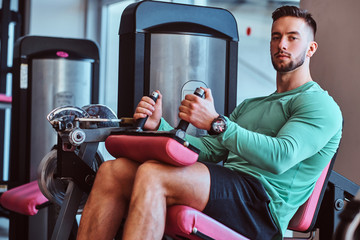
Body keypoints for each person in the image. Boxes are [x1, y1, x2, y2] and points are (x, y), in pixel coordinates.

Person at [77, 5, 342, 240]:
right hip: (231, 186)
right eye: (276, 37)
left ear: (310, 48)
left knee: (153, 174)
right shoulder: (251, 105)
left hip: (262, 207)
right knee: (114, 171)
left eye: (292, 38)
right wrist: (160, 126)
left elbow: (280, 157)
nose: (282, 44)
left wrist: (218, 122)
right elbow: (211, 151)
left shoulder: (319, 105)